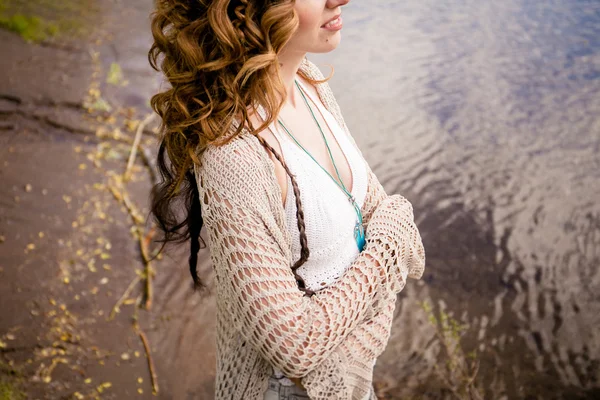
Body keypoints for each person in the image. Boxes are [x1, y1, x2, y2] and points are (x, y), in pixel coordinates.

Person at [148, 0, 426, 399]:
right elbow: (295, 346)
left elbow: (383, 215)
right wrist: (386, 254)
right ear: (250, 7)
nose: (340, 0)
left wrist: (389, 245)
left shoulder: (309, 82)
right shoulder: (233, 155)